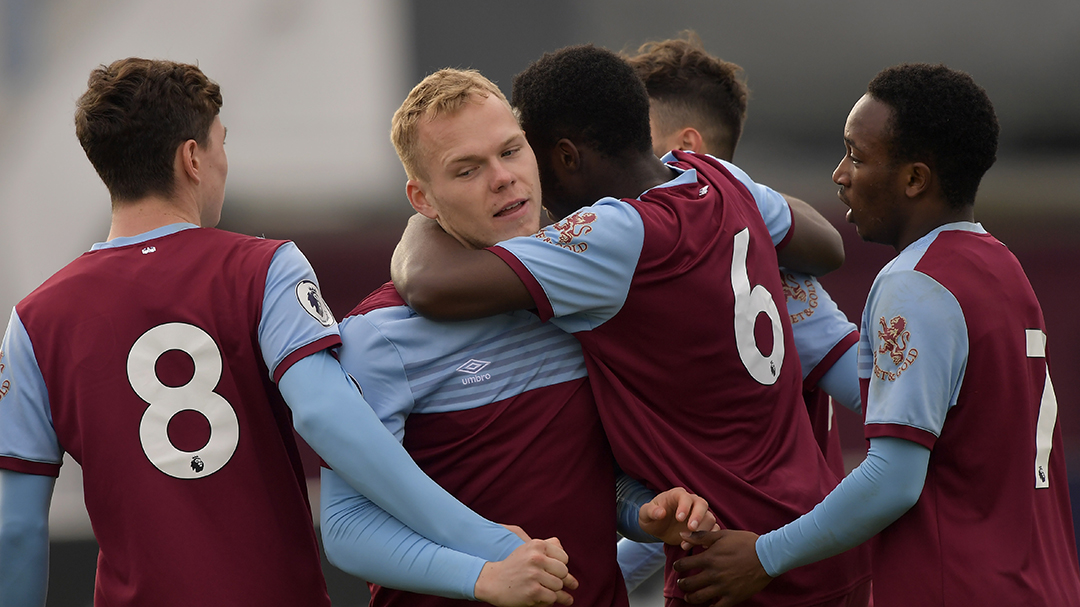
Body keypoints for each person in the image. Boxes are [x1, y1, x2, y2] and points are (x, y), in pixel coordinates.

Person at [0, 58, 576, 607]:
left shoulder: (33, 321)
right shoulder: (262, 267)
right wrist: (483, 541)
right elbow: (326, 416)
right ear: (193, 158)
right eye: (223, 145)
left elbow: (16, 529)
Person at [389, 44, 872, 607]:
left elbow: (428, 286)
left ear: (565, 158)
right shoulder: (712, 175)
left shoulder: (611, 237)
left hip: (735, 557)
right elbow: (826, 244)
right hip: (817, 533)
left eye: (524, 156)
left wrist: (428, 212)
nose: (522, 183)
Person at [673, 63, 1080, 607]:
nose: (840, 174)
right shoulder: (999, 264)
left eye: (857, 156)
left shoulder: (915, 284)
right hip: (1041, 585)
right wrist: (790, 301)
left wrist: (764, 556)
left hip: (954, 587)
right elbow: (900, 400)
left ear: (914, 179)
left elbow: (893, 478)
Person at [319, 67, 715, 607]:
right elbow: (345, 527)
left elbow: (588, 481)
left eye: (510, 151)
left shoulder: (582, 295)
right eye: (467, 170)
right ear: (423, 200)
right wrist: (481, 577)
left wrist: (644, 513)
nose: (502, 177)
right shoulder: (377, 333)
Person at [615, 32, 863, 593]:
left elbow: (884, 403)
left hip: (788, 571)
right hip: (722, 570)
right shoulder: (633, 269)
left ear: (689, 150)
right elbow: (686, 497)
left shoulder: (771, 276)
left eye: (632, 138)